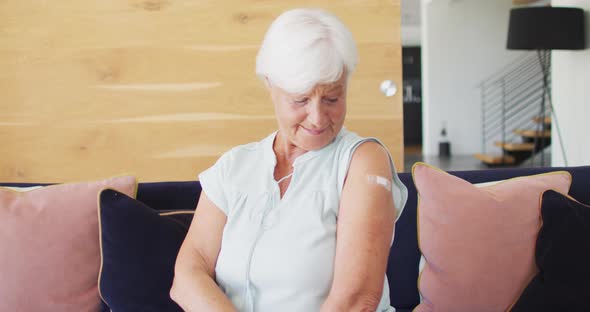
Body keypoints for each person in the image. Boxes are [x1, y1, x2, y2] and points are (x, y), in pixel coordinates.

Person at [170, 8, 407, 312]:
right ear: (270, 85)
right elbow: (190, 272)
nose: (318, 117)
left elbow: (357, 300)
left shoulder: (363, 161)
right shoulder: (234, 167)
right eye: (301, 100)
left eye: (333, 99)